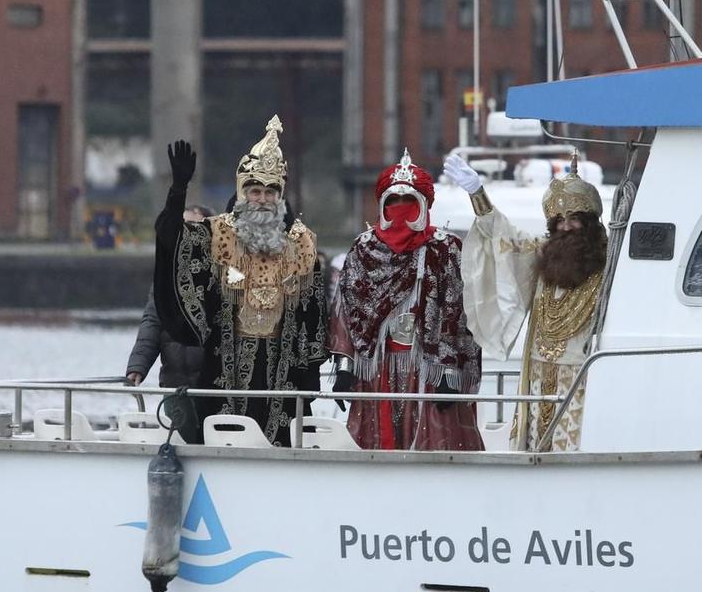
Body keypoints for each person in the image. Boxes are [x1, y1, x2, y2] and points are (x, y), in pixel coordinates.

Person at [154, 117, 330, 445]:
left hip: (283, 367)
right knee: (226, 439)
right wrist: (178, 190)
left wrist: (311, 375)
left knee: (280, 444)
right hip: (226, 362)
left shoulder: (301, 241)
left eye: (269, 192)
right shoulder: (218, 232)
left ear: (280, 196)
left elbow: (313, 313)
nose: (262, 199)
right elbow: (169, 237)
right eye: (254, 191)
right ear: (242, 192)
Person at [445, 149, 607, 451]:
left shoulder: (609, 263)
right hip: (537, 371)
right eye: (559, 220)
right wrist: (477, 194)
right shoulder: (542, 252)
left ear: (590, 222)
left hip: (581, 374)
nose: (565, 226)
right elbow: (502, 235)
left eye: (574, 219)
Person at [329, 152, 484, 451]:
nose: (401, 210)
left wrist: (450, 370)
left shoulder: (445, 249)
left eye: (410, 203)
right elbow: (345, 312)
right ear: (382, 206)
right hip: (377, 369)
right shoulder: (363, 249)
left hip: (428, 367)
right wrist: (344, 367)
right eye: (393, 202)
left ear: (424, 206)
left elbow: (459, 310)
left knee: (434, 445)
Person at [125, 205, 207, 389]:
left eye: (195, 227)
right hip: (174, 384)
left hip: (213, 387)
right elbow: (151, 323)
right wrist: (137, 367)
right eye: (182, 226)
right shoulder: (166, 277)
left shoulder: (224, 274)